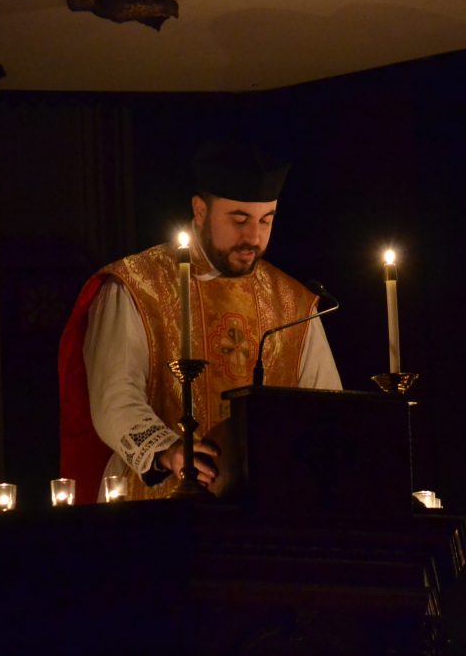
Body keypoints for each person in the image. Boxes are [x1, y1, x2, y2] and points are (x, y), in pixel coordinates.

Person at [59, 137, 342, 503]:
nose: (253, 237)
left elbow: (328, 409)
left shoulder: (294, 303)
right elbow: (114, 397)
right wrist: (170, 450)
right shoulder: (137, 286)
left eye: (266, 220)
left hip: (265, 516)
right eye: (239, 220)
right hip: (150, 505)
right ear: (200, 210)